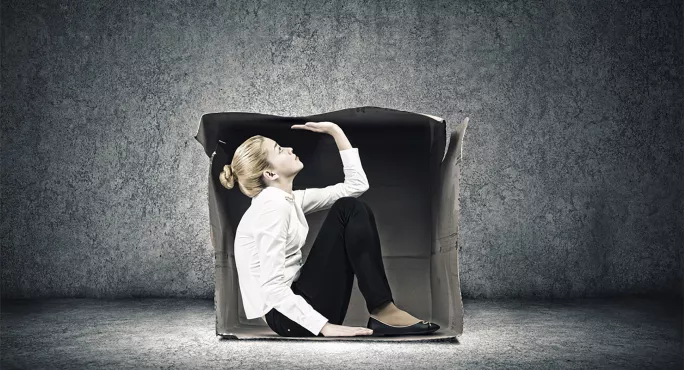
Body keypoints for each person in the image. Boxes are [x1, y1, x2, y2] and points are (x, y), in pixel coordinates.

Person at [219, 121, 440, 337]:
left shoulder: (286, 200)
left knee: (349, 206)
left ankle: (383, 311)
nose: (289, 149)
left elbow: (355, 187)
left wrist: (335, 131)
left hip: (299, 308)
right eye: (279, 149)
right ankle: (383, 310)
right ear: (270, 174)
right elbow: (272, 287)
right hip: (288, 318)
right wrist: (324, 326)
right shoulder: (271, 207)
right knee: (348, 209)